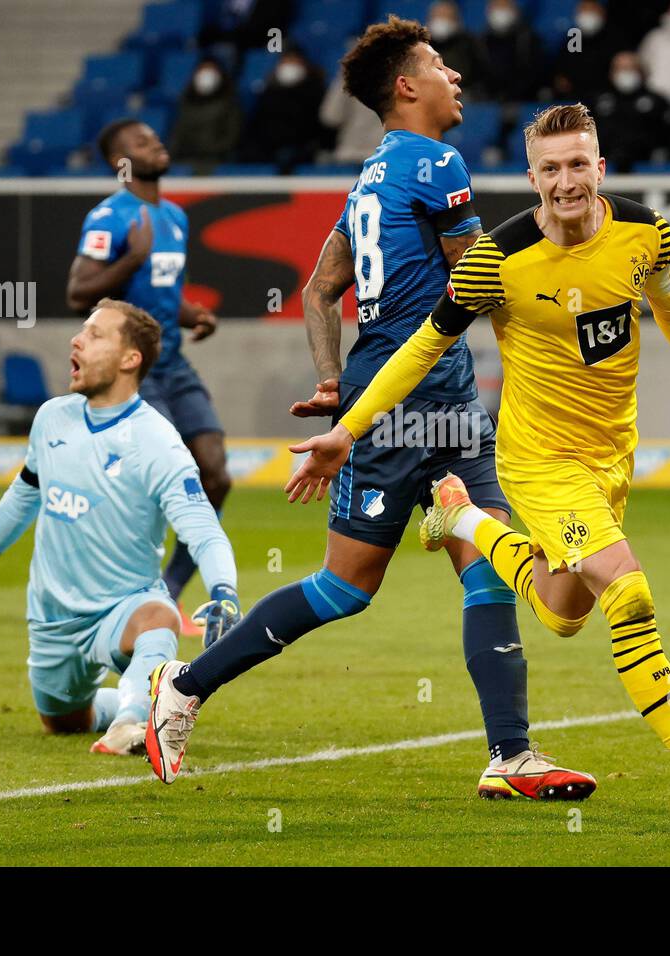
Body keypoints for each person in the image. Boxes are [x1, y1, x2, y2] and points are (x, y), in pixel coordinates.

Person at [280, 104, 670, 824]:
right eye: (550, 168)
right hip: (538, 458)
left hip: (611, 455)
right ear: (532, 177)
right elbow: (424, 346)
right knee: (628, 590)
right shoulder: (498, 258)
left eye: (578, 164)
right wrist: (351, 428)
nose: (566, 181)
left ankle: (461, 517)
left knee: (563, 608)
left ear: (600, 168)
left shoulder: (648, 232)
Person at [145, 17, 595, 802]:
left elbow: (321, 291)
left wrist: (331, 380)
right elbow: (478, 277)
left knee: (490, 564)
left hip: (435, 396)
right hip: (401, 400)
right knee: (347, 587)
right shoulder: (439, 161)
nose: (456, 77)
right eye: (439, 65)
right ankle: (184, 685)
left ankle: (510, 754)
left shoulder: (368, 180)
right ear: (406, 87)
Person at [0, 300, 238, 757]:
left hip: (122, 607)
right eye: (82, 331)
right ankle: (158, 698)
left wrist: (223, 591)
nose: (76, 340)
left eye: (95, 335)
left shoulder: (157, 442)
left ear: (129, 359)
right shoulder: (52, 417)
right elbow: (26, 492)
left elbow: (203, 529)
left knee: (159, 617)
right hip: (51, 618)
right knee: (61, 721)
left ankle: (133, 722)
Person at [66, 118, 234, 637]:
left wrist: (193, 315)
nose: (155, 144)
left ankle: (170, 590)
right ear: (120, 161)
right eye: (140, 142)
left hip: (174, 363)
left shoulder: (175, 217)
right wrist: (130, 257)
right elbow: (78, 292)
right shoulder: (109, 218)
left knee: (216, 474)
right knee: (157, 480)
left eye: (155, 138)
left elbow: (160, 294)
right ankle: (121, 595)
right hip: (131, 371)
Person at [240, 48, 326, 172]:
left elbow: (318, 127)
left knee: (285, 157)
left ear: (304, 66)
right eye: (286, 62)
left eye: (294, 62)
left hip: (299, 147)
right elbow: (257, 124)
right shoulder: (268, 92)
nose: (289, 67)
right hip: (268, 146)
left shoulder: (315, 92)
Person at [594, 50, 670, 170]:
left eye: (630, 68)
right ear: (611, 73)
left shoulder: (657, 101)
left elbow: (667, 136)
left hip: (647, 163)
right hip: (607, 163)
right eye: (621, 68)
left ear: (641, 72)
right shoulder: (598, 101)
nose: (625, 73)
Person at [168, 57, 243, 173]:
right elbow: (177, 136)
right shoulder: (186, 103)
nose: (206, 75)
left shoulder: (230, 105)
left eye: (211, 70)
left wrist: (207, 149)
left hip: (214, 161)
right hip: (184, 161)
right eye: (202, 70)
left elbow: (231, 139)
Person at [478, 0, 542, 103]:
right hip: (488, 99)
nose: (501, 11)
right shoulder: (481, 41)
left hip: (523, 99)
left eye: (505, 6)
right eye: (497, 6)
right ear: (488, 11)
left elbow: (534, 73)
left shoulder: (528, 40)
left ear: (515, 11)